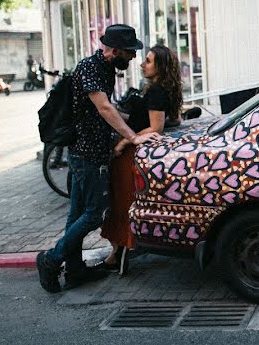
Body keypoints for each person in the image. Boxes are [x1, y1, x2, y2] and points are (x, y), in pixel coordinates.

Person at [36, 24, 160, 293]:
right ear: (114, 50)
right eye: (129, 52)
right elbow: (103, 107)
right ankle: (51, 259)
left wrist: (135, 123)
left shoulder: (105, 69)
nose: (133, 57)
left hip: (91, 152)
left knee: (77, 214)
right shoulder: (90, 68)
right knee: (94, 214)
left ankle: (75, 271)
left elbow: (108, 108)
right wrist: (133, 136)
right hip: (87, 155)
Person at [99, 45, 183, 276]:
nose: (142, 64)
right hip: (130, 151)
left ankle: (119, 254)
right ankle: (116, 253)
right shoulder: (156, 89)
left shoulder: (157, 92)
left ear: (161, 67)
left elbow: (156, 127)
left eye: (148, 61)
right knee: (119, 202)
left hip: (130, 155)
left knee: (122, 202)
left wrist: (125, 142)